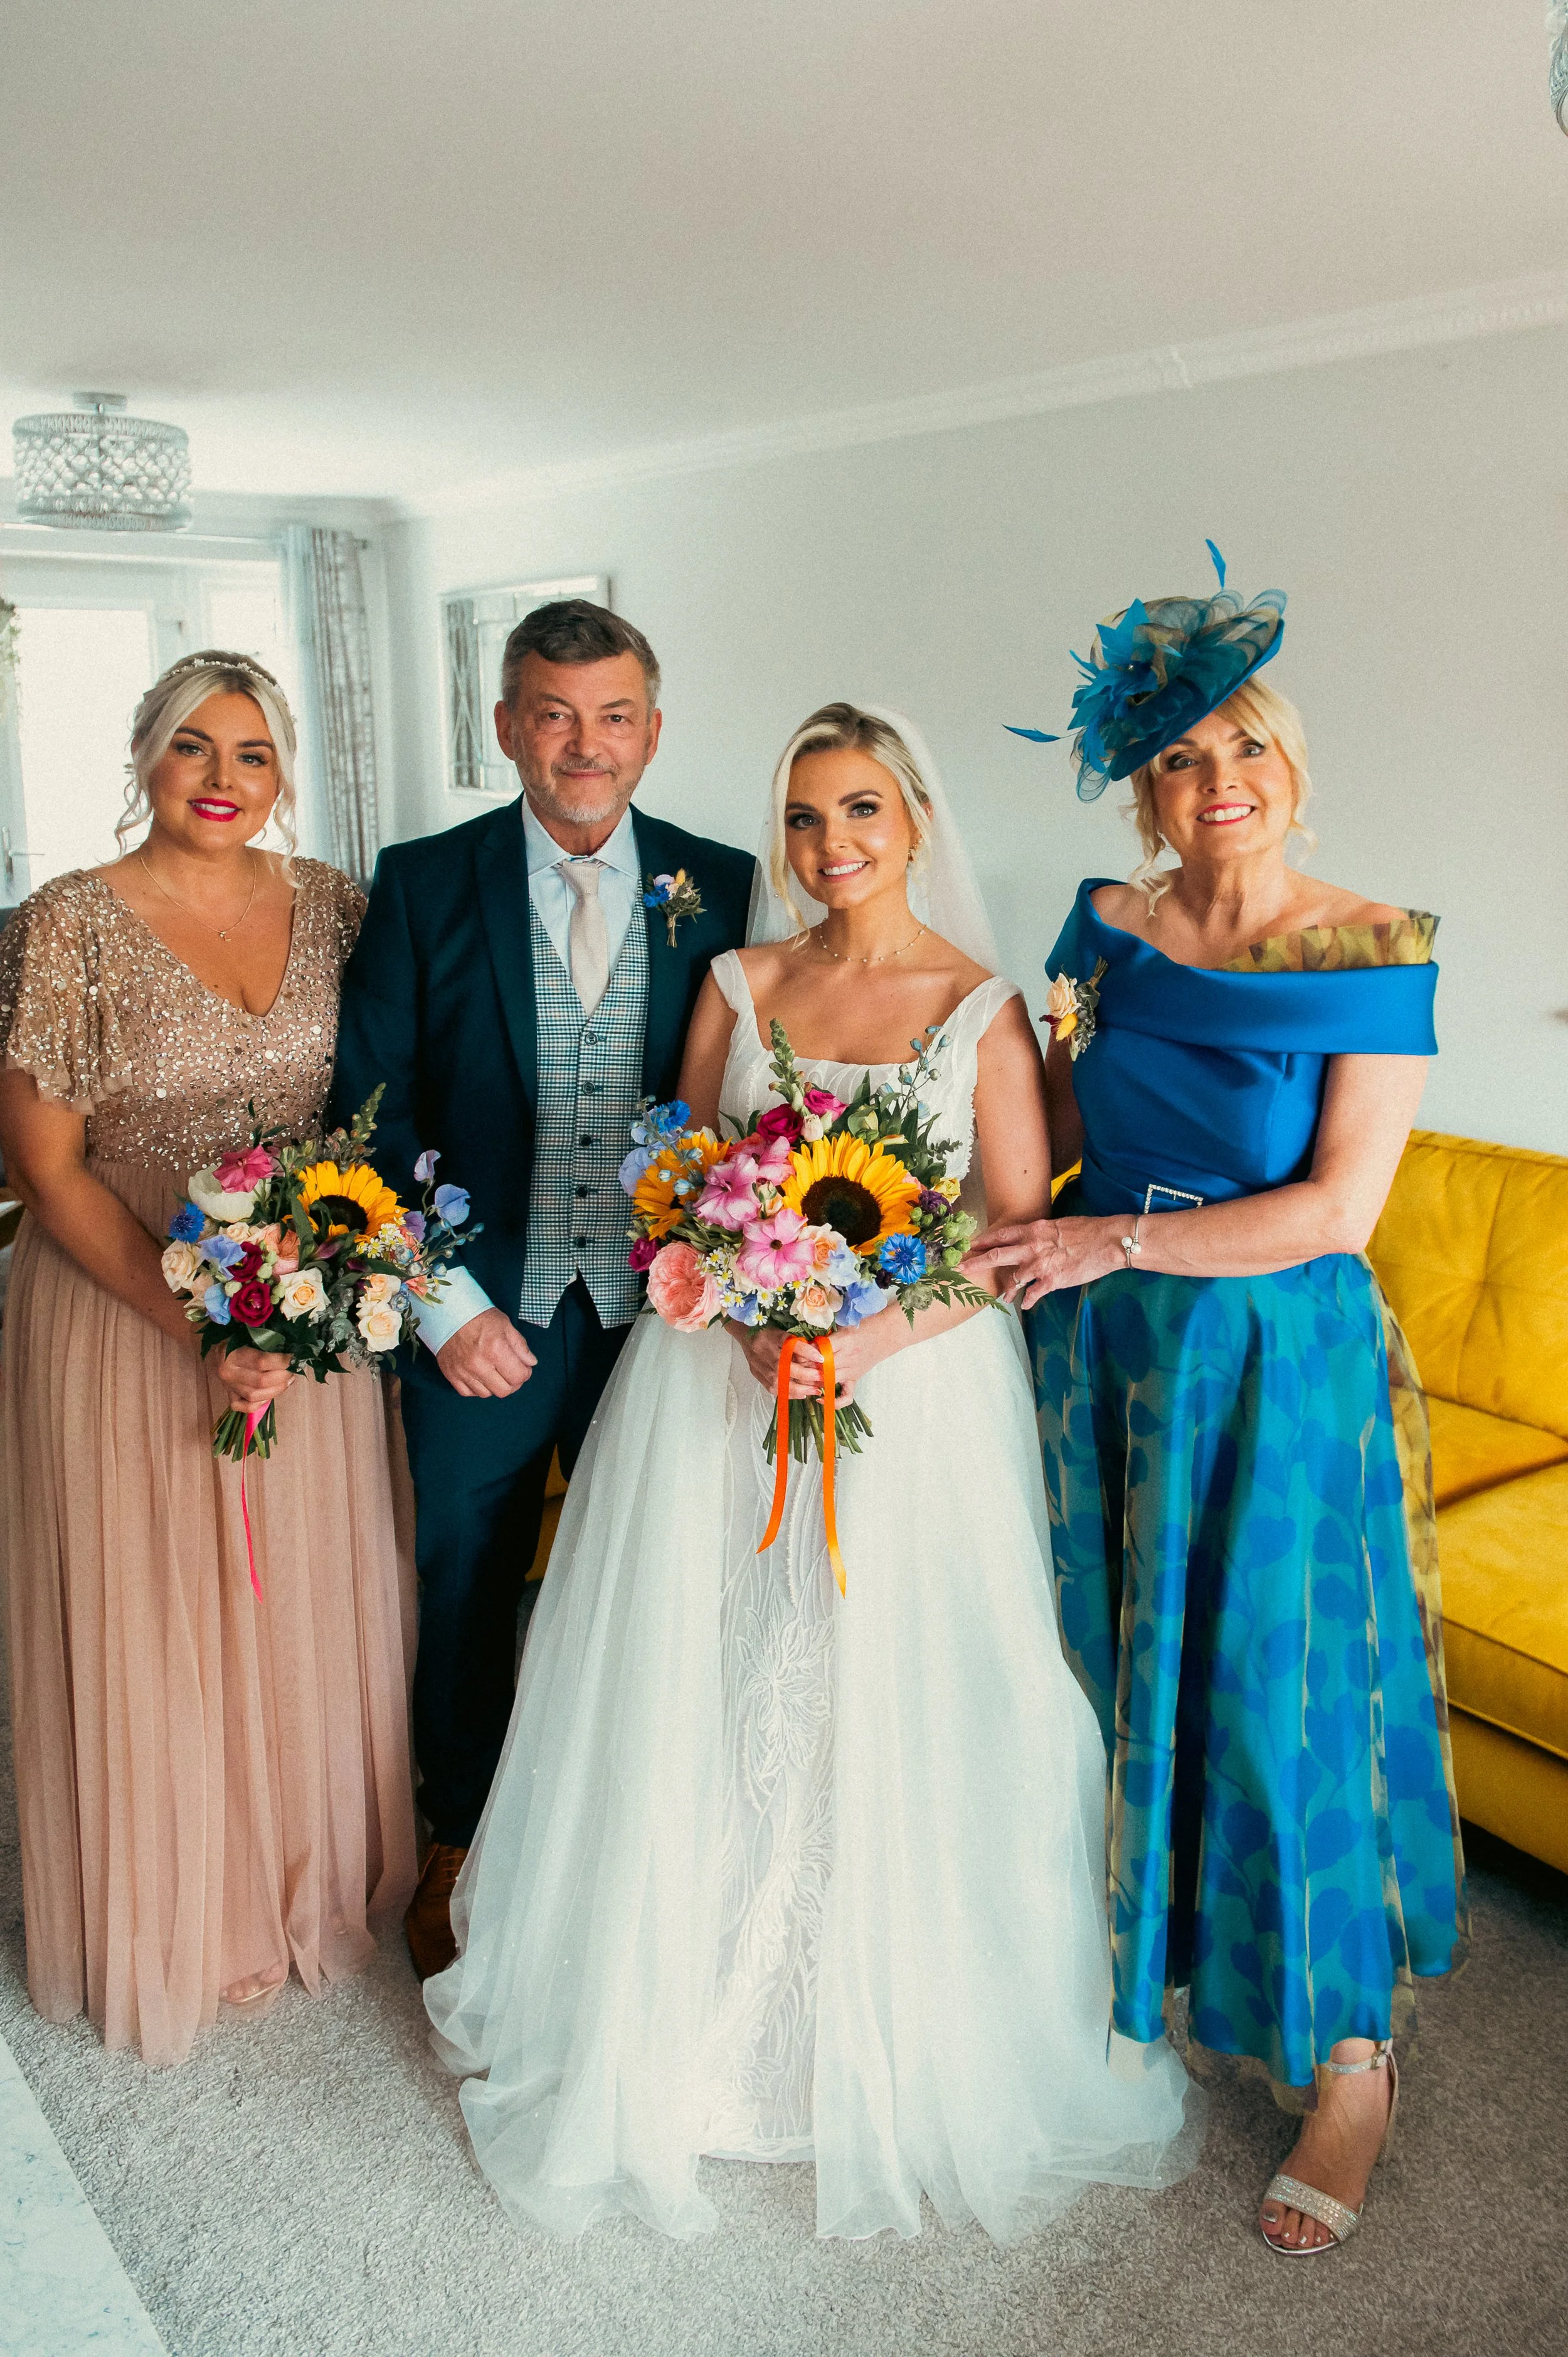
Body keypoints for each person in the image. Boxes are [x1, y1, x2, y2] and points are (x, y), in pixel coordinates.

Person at [423, 702, 1200, 2243]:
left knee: (889, 1684)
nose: (828, 844)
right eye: (800, 815)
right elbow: (673, 1184)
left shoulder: (981, 1010)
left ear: (913, 820)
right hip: (713, 1390)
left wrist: (863, 1344)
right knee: (705, 1675)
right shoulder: (740, 983)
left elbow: (1008, 1231)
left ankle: (878, 2023)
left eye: (857, 810)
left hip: (911, 1403)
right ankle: (690, 2008)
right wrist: (739, 1311)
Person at [970, 558, 1468, 2255]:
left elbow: (1335, 1211)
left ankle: (1349, 2060)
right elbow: (1044, 1123)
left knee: (1278, 1695)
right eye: (1179, 758)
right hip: (1098, 1351)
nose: (1216, 781)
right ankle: (1134, 1973)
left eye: (1243, 746)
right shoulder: (1100, 929)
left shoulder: (1376, 949)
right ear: (1143, 788)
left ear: (1289, 761)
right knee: (1101, 1671)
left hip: (1266, 1355)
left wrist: (1105, 1236)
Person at [0, 651, 416, 2068]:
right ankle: (179, 1904)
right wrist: (198, 1324)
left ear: (284, 771)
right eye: (193, 747)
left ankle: (295, 1870)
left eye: (252, 753)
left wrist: (297, 1303)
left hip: (301, 1306)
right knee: (156, 1595)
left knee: (298, 1594)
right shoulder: (66, 923)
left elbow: (378, 1105)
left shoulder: (338, 905)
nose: (222, 778)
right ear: (144, 758)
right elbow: (45, 1166)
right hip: (123, 1302)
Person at [331, 600, 756, 1979]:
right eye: (556, 716)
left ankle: (642, 1848)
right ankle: (460, 1838)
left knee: (658, 1581)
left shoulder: (723, 881)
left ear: (652, 730)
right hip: (479, 1318)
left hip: (661, 1322)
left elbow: (754, 1102)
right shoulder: (421, 881)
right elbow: (372, 1120)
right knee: (463, 1579)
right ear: (508, 726)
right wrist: (444, 1308)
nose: (586, 745)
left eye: (614, 716)